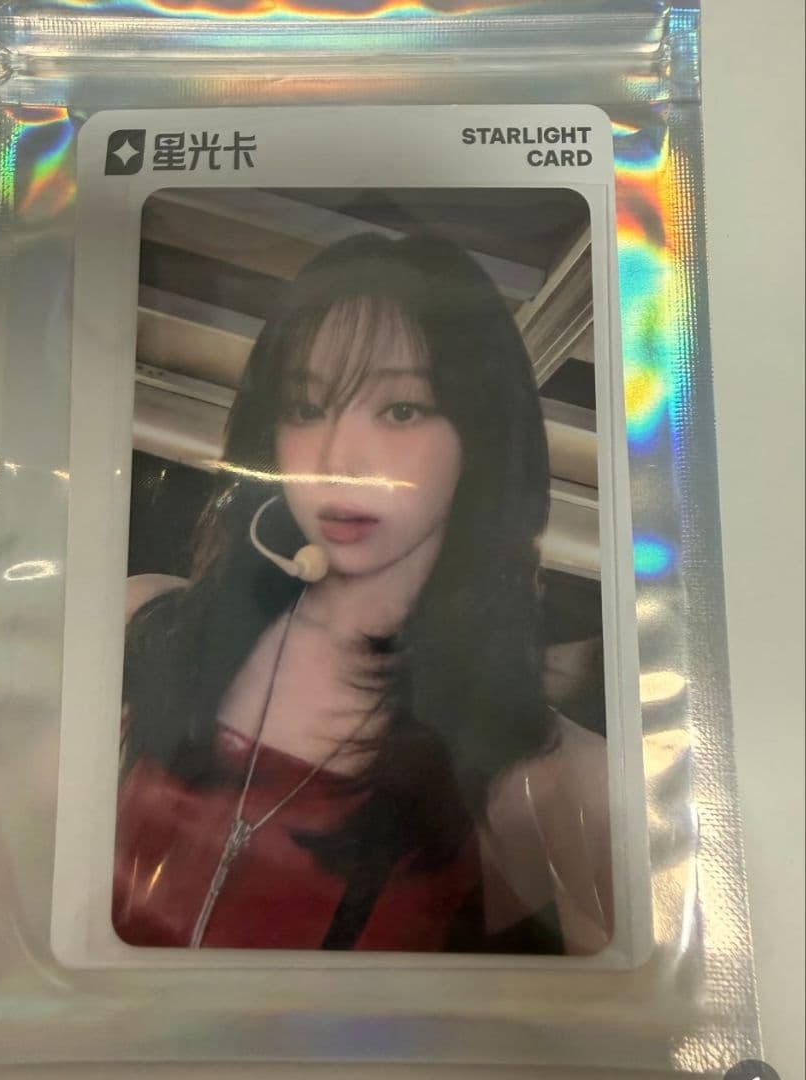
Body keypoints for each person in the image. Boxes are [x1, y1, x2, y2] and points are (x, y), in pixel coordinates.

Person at [114, 232, 613, 954]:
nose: (338, 461)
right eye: (306, 407)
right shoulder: (144, 629)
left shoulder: (548, 780)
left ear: (480, 437)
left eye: (401, 410)